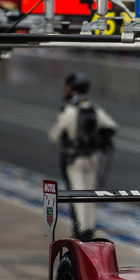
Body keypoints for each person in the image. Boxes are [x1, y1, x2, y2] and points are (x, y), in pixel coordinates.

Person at [48, 72, 117, 241]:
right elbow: (112, 126)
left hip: (74, 159)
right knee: (90, 196)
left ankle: (82, 234)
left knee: (78, 197)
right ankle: (89, 230)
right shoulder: (93, 109)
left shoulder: (69, 110)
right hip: (92, 158)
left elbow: (53, 135)